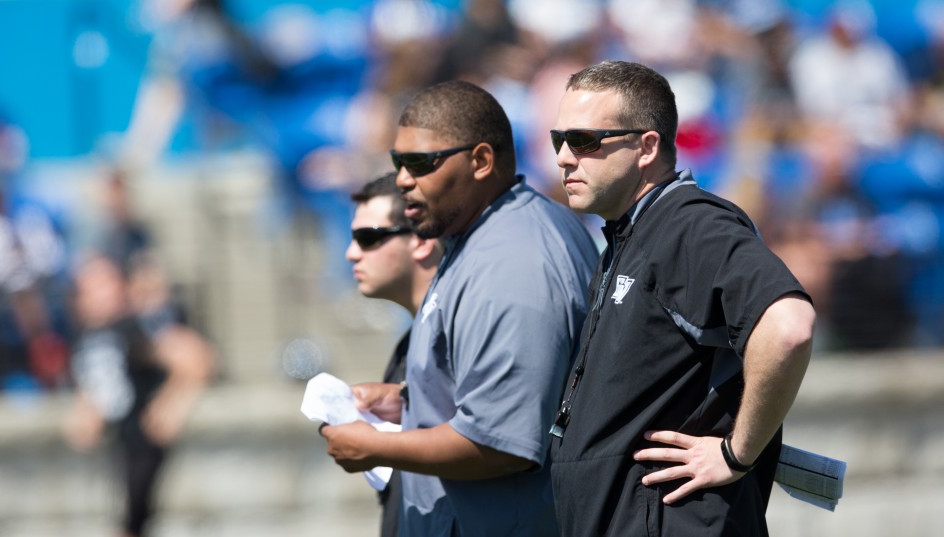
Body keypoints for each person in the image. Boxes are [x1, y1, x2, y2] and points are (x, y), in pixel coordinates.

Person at [547, 60, 815, 536]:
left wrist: (736, 452)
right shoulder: (631, 234)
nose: (565, 157)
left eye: (584, 140)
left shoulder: (690, 224)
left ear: (647, 147)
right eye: (558, 141)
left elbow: (788, 325)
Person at [320, 80, 598, 536]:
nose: (403, 179)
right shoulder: (481, 236)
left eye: (419, 163)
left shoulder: (514, 263)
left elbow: (502, 444)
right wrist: (409, 401)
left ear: (481, 161)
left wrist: (376, 447)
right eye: (397, 162)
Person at [63, 253, 214, 537]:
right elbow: (98, 383)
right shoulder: (87, 336)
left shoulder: (135, 327)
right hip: (118, 446)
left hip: (144, 445)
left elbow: (196, 357)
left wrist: (173, 403)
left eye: (105, 283)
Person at [345, 171, 443, 537]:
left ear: (420, 239)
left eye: (368, 238)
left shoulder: (454, 335)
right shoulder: (411, 341)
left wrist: (378, 445)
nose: (351, 253)